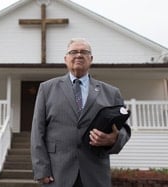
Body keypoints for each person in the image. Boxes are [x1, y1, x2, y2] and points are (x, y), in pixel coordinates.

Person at [31, 38, 131, 187]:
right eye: (73, 52)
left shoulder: (111, 92)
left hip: (95, 173)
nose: (78, 55)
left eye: (84, 52)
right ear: (66, 59)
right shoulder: (47, 89)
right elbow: (37, 132)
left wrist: (113, 139)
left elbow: (124, 130)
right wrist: (41, 170)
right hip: (58, 173)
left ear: (91, 59)